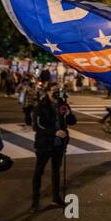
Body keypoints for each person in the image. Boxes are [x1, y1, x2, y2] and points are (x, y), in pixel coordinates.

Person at [30, 83, 77, 213]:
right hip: (44, 144)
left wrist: (68, 114)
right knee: (39, 172)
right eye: (53, 90)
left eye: (58, 90)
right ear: (47, 92)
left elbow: (72, 122)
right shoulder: (41, 106)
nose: (56, 93)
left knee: (56, 171)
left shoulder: (63, 104)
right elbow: (37, 126)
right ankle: (35, 202)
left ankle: (56, 197)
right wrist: (54, 132)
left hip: (58, 145)